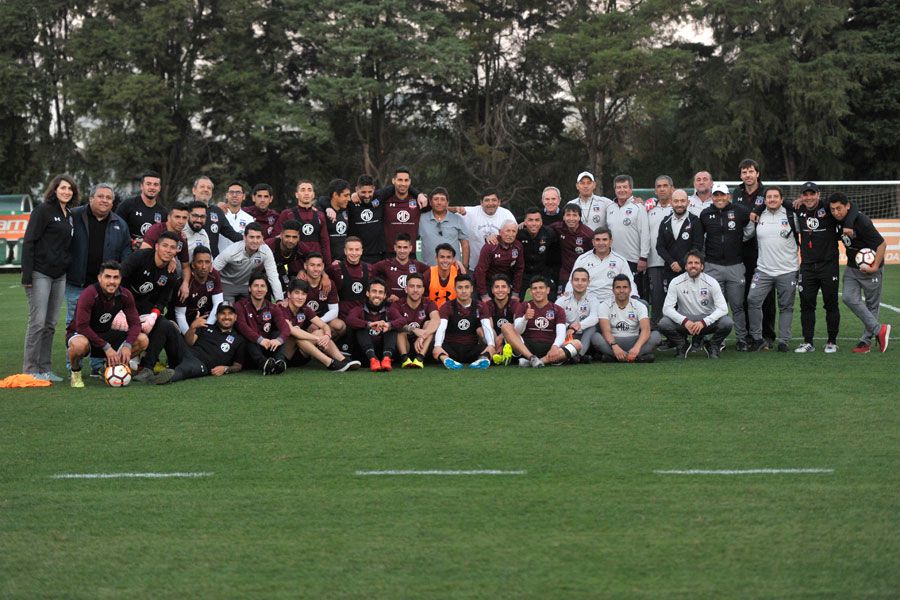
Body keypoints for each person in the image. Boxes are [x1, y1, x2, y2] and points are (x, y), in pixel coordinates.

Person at [21, 174, 78, 381]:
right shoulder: (42, 210)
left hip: (59, 276)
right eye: (63, 188)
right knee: (37, 322)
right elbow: (29, 242)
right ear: (54, 190)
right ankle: (29, 370)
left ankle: (44, 368)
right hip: (39, 274)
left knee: (51, 323)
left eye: (70, 189)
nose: (66, 192)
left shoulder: (69, 214)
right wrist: (27, 276)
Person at [65, 260, 149, 388]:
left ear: (120, 279)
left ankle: (109, 368)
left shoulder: (125, 295)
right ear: (100, 278)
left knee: (142, 340)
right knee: (79, 345)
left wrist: (127, 345)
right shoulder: (89, 294)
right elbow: (82, 326)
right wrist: (106, 347)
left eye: (116, 277)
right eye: (108, 277)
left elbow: (135, 325)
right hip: (82, 334)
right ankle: (75, 373)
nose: (112, 281)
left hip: (105, 334)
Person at [793, 182, 854, 353]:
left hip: (828, 265)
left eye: (812, 194)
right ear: (802, 196)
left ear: (818, 194)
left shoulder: (828, 206)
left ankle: (832, 341)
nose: (809, 197)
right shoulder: (797, 207)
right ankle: (808, 342)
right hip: (807, 266)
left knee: (831, 304)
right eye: (805, 194)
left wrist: (848, 224)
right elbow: (776, 202)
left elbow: (852, 206)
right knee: (806, 305)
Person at [830, 193, 891, 353]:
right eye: (833, 209)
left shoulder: (862, 221)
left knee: (872, 305)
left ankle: (865, 343)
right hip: (852, 267)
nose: (836, 212)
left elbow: (882, 245)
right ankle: (880, 330)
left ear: (847, 206)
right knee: (848, 298)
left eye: (839, 209)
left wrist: (875, 266)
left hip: (871, 269)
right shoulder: (835, 219)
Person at [120, 231, 185, 382]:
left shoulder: (172, 273)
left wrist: (153, 316)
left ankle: (147, 368)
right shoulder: (140, 257)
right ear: (156, 246)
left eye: (172, 248)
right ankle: (107, 364)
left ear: (176, 251)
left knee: (164, 324)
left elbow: (162, 301)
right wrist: (118, 310)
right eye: (165, 246)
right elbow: (119, 280)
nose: (168, 250)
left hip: (144, 311)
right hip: (122, 308)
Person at [66, 183, 132, 325]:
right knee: (74, 324)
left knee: (101, 325)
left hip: (106, 288)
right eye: (100, 196)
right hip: (77, 284)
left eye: (108, 198)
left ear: (112, 202)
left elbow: (126, 254)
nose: (104, 200)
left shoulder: (120, 224)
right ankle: (74, 347)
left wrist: (118, 279)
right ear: (91, 199)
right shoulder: (74, 216)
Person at [700, 184, 754, 350]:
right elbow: (701, 238)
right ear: (712, 197)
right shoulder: (705, 214)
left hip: (735, 266)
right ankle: (718, 340)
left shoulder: (740, 211)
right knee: (715, 307)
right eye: (716, 195)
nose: (719, 198)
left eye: (722, 195)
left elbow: (750, 227)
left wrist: (738, 240)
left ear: (728, 196)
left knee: (737, 306)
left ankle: (741, 339)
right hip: (712, 266)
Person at [746, 187, 799, 352]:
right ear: (765, 200)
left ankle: (784, 341)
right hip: (763, 270)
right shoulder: (758, 216)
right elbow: (746, 235)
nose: (772, 199)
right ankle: (757, 338)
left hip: (787, 270)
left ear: (782, 199)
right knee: (752, 300)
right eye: (769, 197)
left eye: (776, 196)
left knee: (786, 306)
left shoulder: (792, 216)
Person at [658, 250, 733, 359]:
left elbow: (723, 308)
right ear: (685, 266)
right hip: (685, 321)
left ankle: (713, 346)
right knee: (663, 323)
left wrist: (703, 322)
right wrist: (685, 321)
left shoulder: (712, 282)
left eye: (696, 263)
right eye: (690, 263)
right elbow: (667, 309)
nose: (693, 266)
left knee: (727, 322)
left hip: (706, 322)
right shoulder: (675, 282)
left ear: (702, 266)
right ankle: (682, 345)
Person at [151, 302, 246, 385]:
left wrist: (225, 369)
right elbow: (189, 342)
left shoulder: (239, 339)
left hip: (200, 364)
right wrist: (193, 327)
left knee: (185, 369)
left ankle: (167, 377)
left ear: (235, 317)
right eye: (222, 313)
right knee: (166, 324)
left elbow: (238, 366)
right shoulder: (205, 326)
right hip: (185, 353)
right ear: (216, 316)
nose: (226, 317)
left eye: (230, 314)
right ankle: (147, 368)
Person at [734, 159, 776, 344]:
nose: (748, 175)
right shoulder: (736, 192)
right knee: (744, 295)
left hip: (764, 251)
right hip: (742, 251)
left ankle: (768, 334)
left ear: (757, 173)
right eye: (744, 172)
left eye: (751, 171)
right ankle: (750, 334)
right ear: (740, 175)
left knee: (765, 295)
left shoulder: (767, 193)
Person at [276, 279, 360, 371]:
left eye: (303, 294)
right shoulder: (281, 308)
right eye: (297, 293)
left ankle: (343, 360)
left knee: (320, 332)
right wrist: (316, 339)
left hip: (301, 354)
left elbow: (324, 325)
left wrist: (327, 335)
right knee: (296, 335)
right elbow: (291, 330)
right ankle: (330, 363)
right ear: (288, 294)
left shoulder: (305, 309)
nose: (300, 297)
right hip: (284, 355)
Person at [501, 275, 580, 367]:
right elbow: (518, 331)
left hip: (549, 348)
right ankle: (532, 358)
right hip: (526, 347)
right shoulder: (523, 306)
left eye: (541, 288)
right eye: (534, 288)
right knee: (505, 326)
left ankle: (537, 362)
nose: (538, 291)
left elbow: (561, 334)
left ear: (548, 290)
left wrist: (555, 346)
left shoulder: (558, 309)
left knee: (577, 344)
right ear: (530, 292)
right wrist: (525, 318)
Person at [655, 188, 703, 328]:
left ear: (688, 202)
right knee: (671, 305)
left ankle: (697, 339)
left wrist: (683, 264)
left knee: (694, 304)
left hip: (691, 271)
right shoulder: (665, 222)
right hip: (670, 271)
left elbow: (697, 246)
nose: (679, 204)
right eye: (676, 201)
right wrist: (672, 263)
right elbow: (660, 247)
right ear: (671, 202)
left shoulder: (695, 221)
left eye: (682, 201)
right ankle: (674, 340)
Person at [432, 274, 495, 369]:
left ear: (472, 289)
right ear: (455, 289)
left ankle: (483, 358)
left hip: (471, 349)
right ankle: (446, 359)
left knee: (488, 347)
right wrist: (437, 346)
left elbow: (487, 327)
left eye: (467, 287)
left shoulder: (481, 306)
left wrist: (491, 345)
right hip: (450, 349)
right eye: (460, 287)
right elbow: (442, 328)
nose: (464, 291)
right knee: (432, 346)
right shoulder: (447, 306)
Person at [595, 274, 661, 363]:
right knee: (595, 337)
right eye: (618, 287)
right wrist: (614, 346)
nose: (622, 290)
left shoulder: (639, 305)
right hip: (613, 342)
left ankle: (616, 358)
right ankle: (637, 358)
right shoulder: (604, 305)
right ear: (613, 290)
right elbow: (606, 331)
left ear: (630, 290)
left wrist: (637, 348)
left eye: (625, 287)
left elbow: (646, 329)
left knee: (656, 336)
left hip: (634, 341)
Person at [564, 228, 636, 305]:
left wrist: (634, 297)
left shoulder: (620, 260)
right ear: (593, 242)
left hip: (613, 302)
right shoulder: (582, 259)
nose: (601, 243)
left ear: (611, 242)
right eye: (597, 240)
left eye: (604, 239)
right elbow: (572, 281)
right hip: (587, 301)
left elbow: (630, 282)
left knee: (642, 303)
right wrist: (568, 294)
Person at [213, 223, 284, 302]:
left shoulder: (266, 251)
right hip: (227, 284)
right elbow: (212, 270)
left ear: (262, 239)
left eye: (258, 237)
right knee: (228, 311)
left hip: (248, 286)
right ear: (244, 237)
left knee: (255, 310)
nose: (255, 241)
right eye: (251, 237)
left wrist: (279, 299)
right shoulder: (231, 251)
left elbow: (273, 276)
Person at [606, 174, 650, 299]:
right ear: (615, 189)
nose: (621, 190)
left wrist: (643, 257)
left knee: (634, 294)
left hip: (633, 259)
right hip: (613, 258)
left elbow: (645, 234)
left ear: (631, 189)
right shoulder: (610, 208)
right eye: (618, 187)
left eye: (625, 187)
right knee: (615, 293)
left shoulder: (638, 207)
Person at [450, 188, 517, 272]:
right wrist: (455, 209)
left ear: (499, 202)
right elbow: (443, 209)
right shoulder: (470, 212)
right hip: (474, 267)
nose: (490, 203)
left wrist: (497, 237)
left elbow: (514, 235)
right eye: (487, 200)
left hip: (499, 269)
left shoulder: (507, 214)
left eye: (494, 200)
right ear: (481, 202)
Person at [235, 274, 289, 375]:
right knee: (248, 338)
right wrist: (260, 339)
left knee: (277, 334)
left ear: (267, 289)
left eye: (262, 286)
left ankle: (279, 363)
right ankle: (264, 364)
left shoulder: (273, 307)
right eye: (256, 286)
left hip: (266, 347)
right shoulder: (240, 305)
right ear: (249, 288)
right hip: (249, 352)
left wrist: (278, 340)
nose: (259, 289)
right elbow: (241, 326)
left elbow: (285, 328)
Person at [141, 202, 192, 302]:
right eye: (177, 217)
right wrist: (169, 258)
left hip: (163, 280)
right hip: (143, 274)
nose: (181, 221)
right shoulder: (157, 229)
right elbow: (143, 253)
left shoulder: (182, 239)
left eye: (184, 218)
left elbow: (185, 267)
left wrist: (185, 284)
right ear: (169, 217)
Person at [388, 273, 440, 368]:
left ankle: (420, 359)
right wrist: (414, 330)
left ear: (423, 290)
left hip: (421, 345)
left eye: (419, 287)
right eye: (412, 286)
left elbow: (436, 320)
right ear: (406, 289)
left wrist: (423, 336)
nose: (415, 290)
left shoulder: (429, 303)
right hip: (404, 345)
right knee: (401, 329)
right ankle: (405, 359)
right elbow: (396, 324)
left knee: (429, 324)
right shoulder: (397, 304)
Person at [273, 180, 331, 262]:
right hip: (294, 264)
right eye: (303, 190)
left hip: (315, 265)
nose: (306, 193)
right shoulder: (287, 214)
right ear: (296, 194)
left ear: (313, 194)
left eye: (309, 190)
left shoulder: (320, 215)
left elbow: (325, 243)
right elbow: (276, 238)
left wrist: (327, 265)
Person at [346, 278, 397, 371]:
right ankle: (373, 359)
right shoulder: (359, 309)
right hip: (363, 356)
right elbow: (349, 320)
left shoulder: (389, 310)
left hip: (382, 354)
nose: (377, 295)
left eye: (380, 292)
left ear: (385, 295)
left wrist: (388, 325)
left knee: (391, 327)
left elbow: (402, 320)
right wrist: (368, 324)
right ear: (367, 293)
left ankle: (386, 359)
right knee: (360, 327)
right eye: (374, 291)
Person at [173, 246, 222, 333]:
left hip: (206, 320)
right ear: (193, 264)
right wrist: (189, 335)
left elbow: (218, 303)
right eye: (200, 262)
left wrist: (207, 328)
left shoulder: (214, 275)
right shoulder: (183, 284)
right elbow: (180, 314)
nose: (204, 266)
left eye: (207, 262)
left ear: (211, 264)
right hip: (185, 321)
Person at [646, 176, 674, 326]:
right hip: (654, 262)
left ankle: (675, 337)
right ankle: (657, 335)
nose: (662, 189)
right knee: (656, 301)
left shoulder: (678, 207)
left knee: (674, 301)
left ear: (672, 188)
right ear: (655, 190)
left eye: (665, 186)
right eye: (659, 186)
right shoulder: (648, 209)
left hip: (674, 263)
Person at [418, 187, 469, 268]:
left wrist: (465, 266)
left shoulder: (457, 219)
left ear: (447, 202)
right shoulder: (421, 219)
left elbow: (465, 244)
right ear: (430, 202)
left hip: (453, 269)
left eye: (442, 199)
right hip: (428, 269)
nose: (439, 202)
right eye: (436, 199)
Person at [190, 176, 242, 256]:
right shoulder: (185, 210)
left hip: (212, 263)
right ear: (194, 190)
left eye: (209, 188)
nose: (206, 189)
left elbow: (232, 234)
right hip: (189, 261)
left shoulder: (217, 211)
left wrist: (250, 239)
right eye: (202, 187)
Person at [557, 267, 600, 362]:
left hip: (585, 335)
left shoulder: (593, 299)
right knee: (559, 327)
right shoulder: (562, 300)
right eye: (576, 280)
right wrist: (568, 327)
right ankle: (574, 356)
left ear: (588, 282)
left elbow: (595, 317)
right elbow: (556, 319)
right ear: (571, 282)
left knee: (593, 328)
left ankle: (578, 355)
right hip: (567, 335)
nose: (580, 283)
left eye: (583, 280)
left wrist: (577, 327)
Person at [474, 221, 525, 301]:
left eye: (513, 231)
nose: (510, 234)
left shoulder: (518, 246)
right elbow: (481, 271)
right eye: (508, 231)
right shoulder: (490, 247)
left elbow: (519, 269)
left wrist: (515, 293)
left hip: (506, 282)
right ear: (500, 232)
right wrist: (484, 295)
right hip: (489, 282)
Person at [549, 204, 594, 292]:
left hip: (583, 272)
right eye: (568, 215)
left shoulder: (588, 234)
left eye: (574, 215)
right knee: (562, 298)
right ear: (563, 217)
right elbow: (541, 229)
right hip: (565, 272)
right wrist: (524, 224)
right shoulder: (558, 227)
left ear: (580, 217)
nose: (571, 218)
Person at [116, 171, 166, 248]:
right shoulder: (127, 205)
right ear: (141, 186)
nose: (152, 187)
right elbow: (116, 229)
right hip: (128, 254)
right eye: (148, 184)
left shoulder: (163, 212)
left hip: (151, 256)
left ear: (159, 188)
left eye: (156, 185)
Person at [374, 233, 428, 303]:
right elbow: (369, 270)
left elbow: (432, 274)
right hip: (391, 306)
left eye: (405, 247)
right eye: (399, 247)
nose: (402, 251)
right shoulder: (386, 264)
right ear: (395, 248)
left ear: (410, 248)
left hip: (411, 307)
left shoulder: (418, 265)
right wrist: (385, 297)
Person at [301, 252, 345, 338]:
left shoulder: (329, 283)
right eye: (312, 265)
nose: (316, 269)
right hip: (303, 321)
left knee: (340, 325)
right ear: (305, 266)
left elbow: (334, 311)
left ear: (323, 266)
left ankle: (322, 344)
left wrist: (318, 323)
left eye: (318, 265)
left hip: (322, 321)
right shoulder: (299, 282)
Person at [517, 207, 559, 299]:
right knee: (515, 299)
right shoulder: (518, 233)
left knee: (552, 296)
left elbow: (555, 255)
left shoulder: (549, 234)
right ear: (525, 222)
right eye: (530, 220)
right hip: (523, 273)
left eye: (537, 220)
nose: (534, 223)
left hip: (542, 272)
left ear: (541, 222)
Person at [479, 274, 520, 365]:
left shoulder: (515, 304)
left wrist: (502, 337)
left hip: (508, 338)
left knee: (513, 328)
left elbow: (517, 325)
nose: (500, 290)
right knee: (480, 330)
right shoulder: (487, 305)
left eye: (504, 287)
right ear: (492, 290)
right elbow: (489, 327)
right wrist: (496, 341)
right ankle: (496, 351)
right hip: (494, 339)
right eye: (497, 287)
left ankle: (500, 353)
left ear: (509, 290)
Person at [327, 236, 371, 320]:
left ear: (362, 251)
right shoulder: (335, 269)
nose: (354, 253)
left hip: (363, 316)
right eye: (350, 249)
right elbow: (321, 274)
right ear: (345, 251)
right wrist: (324, 276)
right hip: (342, 316)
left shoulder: (370, 269)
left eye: (357, 249)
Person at [347, 174, 387, 263]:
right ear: (357, 189)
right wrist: (328, 208)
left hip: (379, 256)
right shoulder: (349, 202)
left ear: (374, 189)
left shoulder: (379, 197)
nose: (367, 195)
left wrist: (419, 195)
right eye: (363, 192)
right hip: (357, 256)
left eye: (370, 192)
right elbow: (324, 199)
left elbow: (396, 187)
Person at [266, 219, 306, 290]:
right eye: (287, 236)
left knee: (286, 289)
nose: (291, 240)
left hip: (279, 269)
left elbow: (315, 259)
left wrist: (303, 270)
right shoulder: (268, 246)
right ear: (281, 235)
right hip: (261, 271)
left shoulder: (300, 247)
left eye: (294, 237)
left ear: (299, 237)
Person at [423, 243, 459, 308]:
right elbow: (423, 299)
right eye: (442, 257)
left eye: (448, 257)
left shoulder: (458, 274)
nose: (445, 261)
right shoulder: (428, 274)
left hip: (453, 313)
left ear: (453, 259)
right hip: (433, 313)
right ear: (436, 258)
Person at [324, 179, 351, 261]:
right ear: (335, 195)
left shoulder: (349, 208)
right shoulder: (321, 212)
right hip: (328, 263)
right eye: (345, 196)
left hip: (346, 262)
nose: (349, 199)